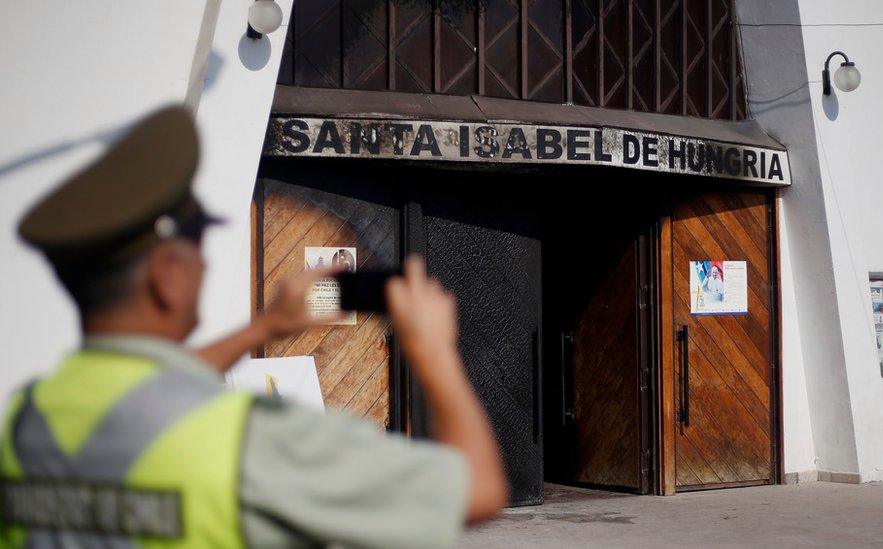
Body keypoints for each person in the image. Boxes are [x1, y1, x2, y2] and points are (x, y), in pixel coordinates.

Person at [0, 106, 507, 548]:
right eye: (198, 245)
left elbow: (144, 396)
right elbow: (479, 489)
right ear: (167, 277)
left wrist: (262, 329)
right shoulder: (250, 439)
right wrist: (434, 350)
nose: (205, 267)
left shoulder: (25, 422)